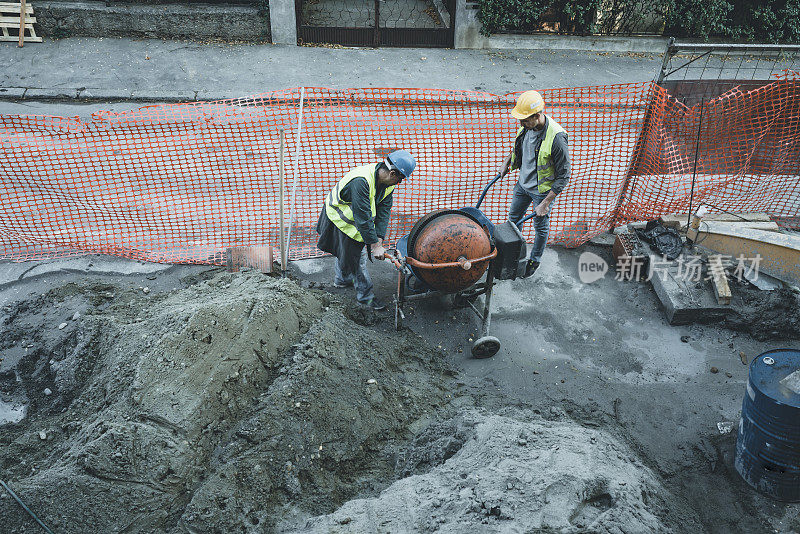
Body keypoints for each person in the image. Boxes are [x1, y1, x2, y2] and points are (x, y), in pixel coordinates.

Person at [316, 149, 416, 310]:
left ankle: (341, 280)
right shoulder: (361, 181)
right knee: (357, 260)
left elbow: (384, 212)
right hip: (340, 219)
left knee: (346, 253)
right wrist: (375, 246)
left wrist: (379, 239)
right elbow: (363, 218)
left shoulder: (387, 184)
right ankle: (366, 297)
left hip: (355, 222)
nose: (400, 182)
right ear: (392, 173)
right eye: (401, 179)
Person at [496, 90, 571, 278]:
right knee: (513, 221)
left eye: (525, 120)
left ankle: (534, 260)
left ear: (537, 116)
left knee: (541, 228)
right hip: (523, 186)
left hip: (542, 193)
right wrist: (508, 161)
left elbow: (564, 175)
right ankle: (513, 255)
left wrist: (545, 203)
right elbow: (519, 149)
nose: (520, 124)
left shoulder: (557, 139)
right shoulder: (526, 128)